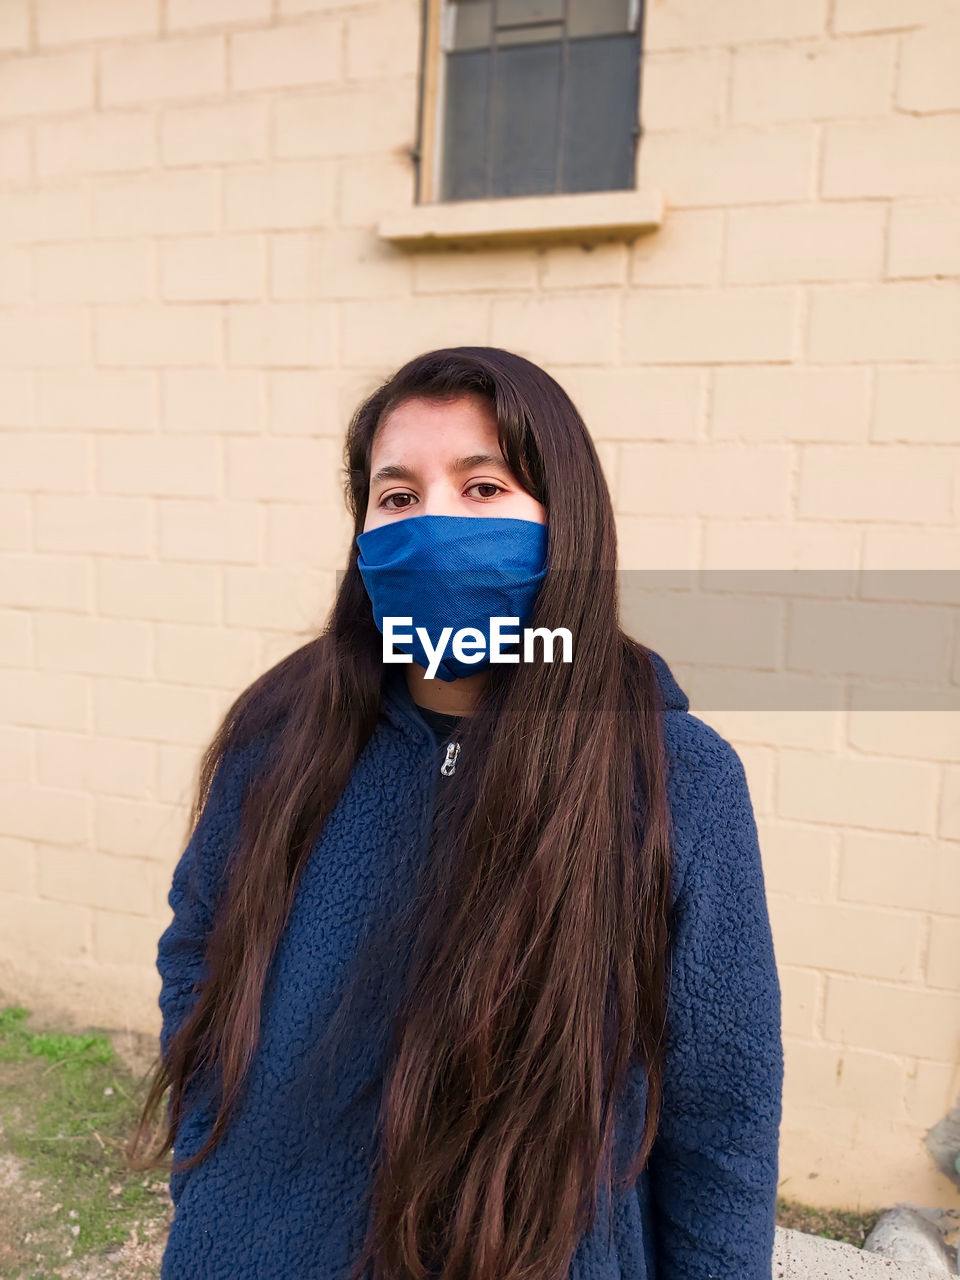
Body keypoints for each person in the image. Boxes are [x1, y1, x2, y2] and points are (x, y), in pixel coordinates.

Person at [128, 346, 783, 1280]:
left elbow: (724, 1113)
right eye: (397, 497)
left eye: (483, 488)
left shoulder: (676, 776)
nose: (434, 522)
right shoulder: (281, 730)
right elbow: (200, 949)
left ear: (567, 522)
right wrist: (215, 1164)